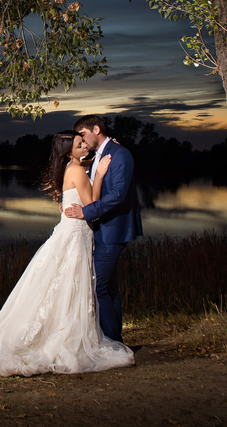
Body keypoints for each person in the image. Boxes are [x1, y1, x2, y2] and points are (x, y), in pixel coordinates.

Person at [0, 131, 134, 376]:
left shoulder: (72, 168)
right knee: (68, 282)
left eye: (83, 141)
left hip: (73, 231)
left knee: (63, 281)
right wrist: (100, 174)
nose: (85, 146)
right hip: (76, 233)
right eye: (79, 144)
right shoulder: (75, 171)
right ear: (68, 152)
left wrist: (97, 160)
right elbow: (93, 203)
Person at [62, 115, 143, 343]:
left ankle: (112, 342)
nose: (84, 144)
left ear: (96, 129)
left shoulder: (120, 155)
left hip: (114, 229)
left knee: (100, 288)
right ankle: (115, 339)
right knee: (109, 288)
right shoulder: (101, 155)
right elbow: (86, 181)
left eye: (84, 137)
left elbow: (118, 195)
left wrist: (85, 212)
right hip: (102, 229)